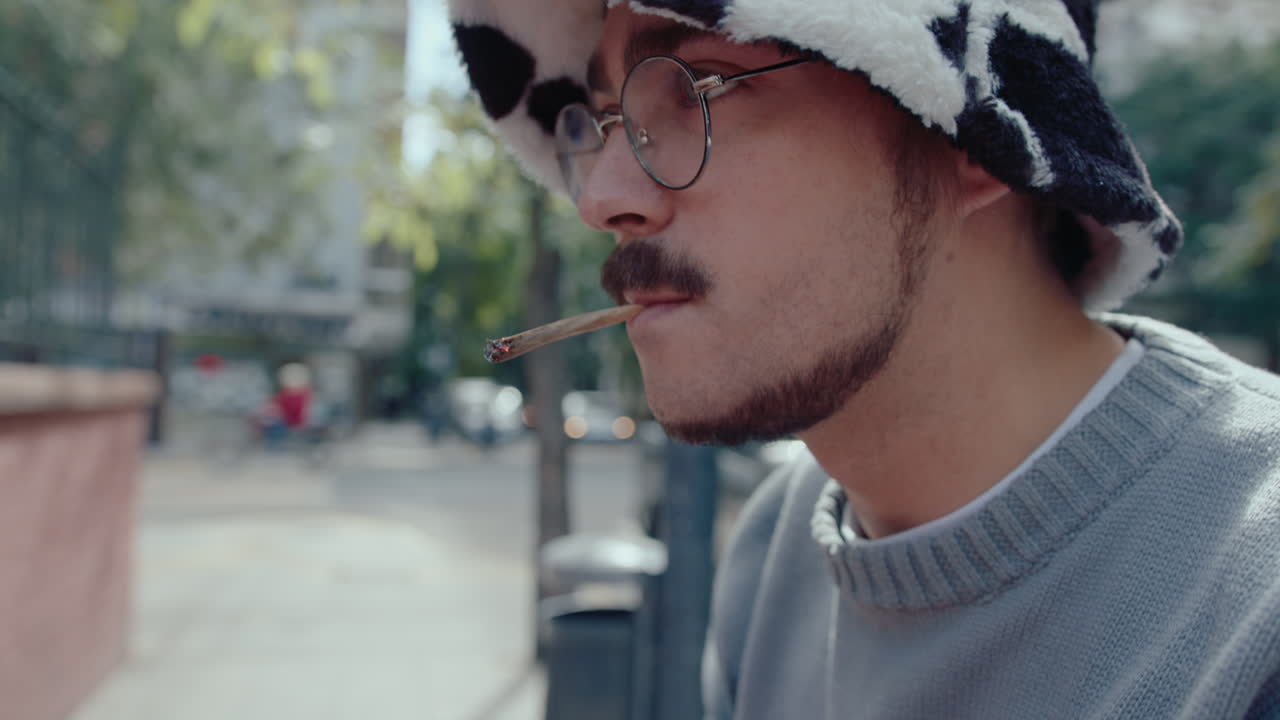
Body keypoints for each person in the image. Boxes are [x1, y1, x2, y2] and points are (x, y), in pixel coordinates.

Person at [447, 1, 1280, 717]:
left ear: (980, 134)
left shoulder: (1252, 610)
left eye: (696, 89)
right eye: (606, 121)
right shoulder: (780, 549)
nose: (600, 199)